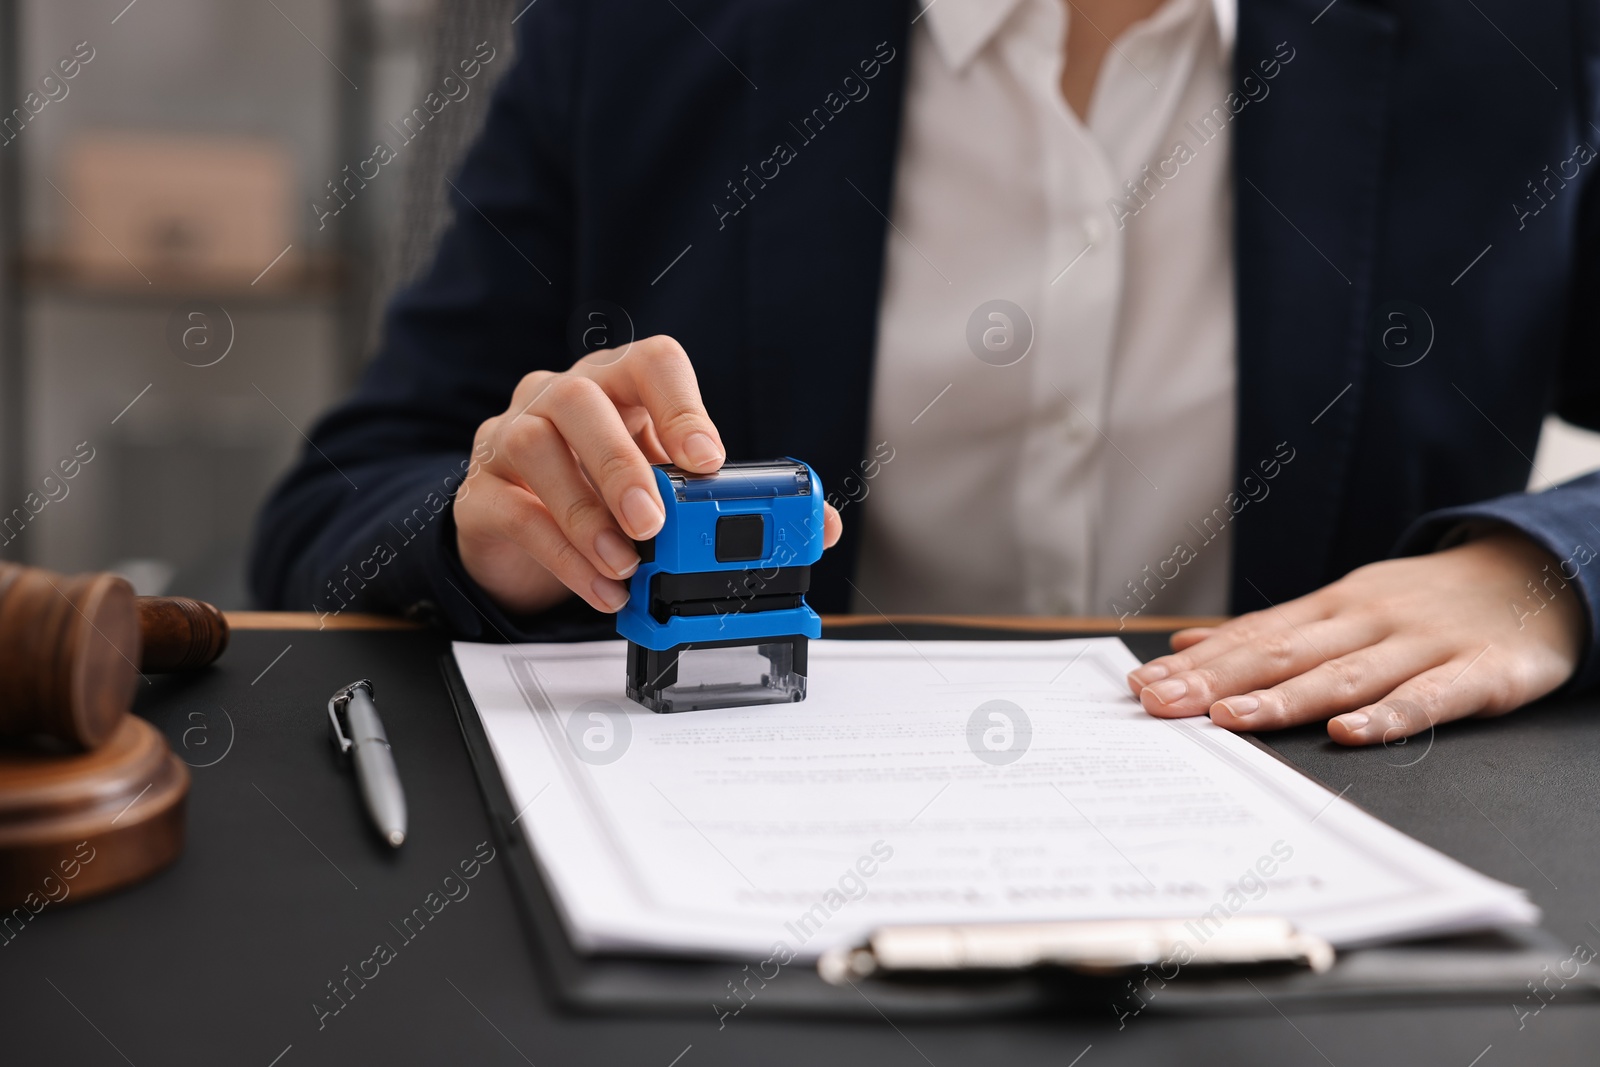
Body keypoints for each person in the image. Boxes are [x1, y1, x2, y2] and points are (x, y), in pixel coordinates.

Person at [252, 0, 1600, 748]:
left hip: (1334, 880)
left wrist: (1543, 571)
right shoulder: (641, 32)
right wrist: (499, 535)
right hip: (740, 901)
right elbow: (337, 511)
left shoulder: (1530, 39)